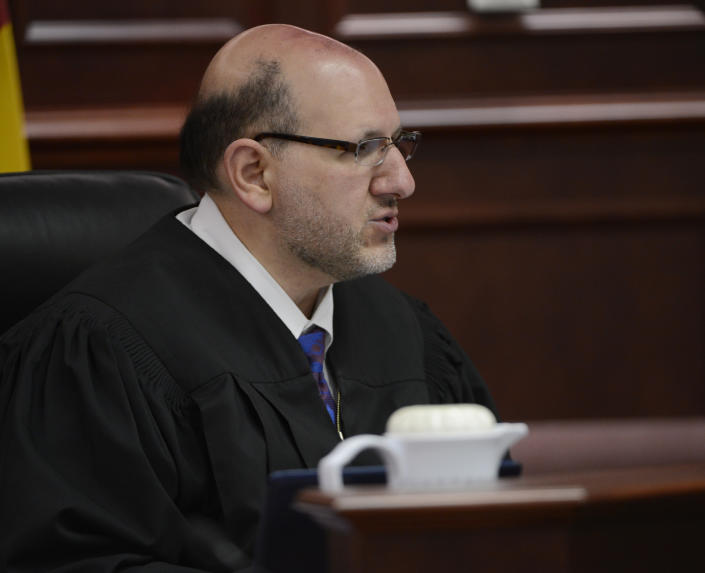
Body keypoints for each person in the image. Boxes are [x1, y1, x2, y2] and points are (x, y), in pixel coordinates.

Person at [0, 24, 497, 572]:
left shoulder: (405, 333)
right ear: (254, 173)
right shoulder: (100, 352)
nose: (401, 181)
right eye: (365, 150)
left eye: (400, 146)